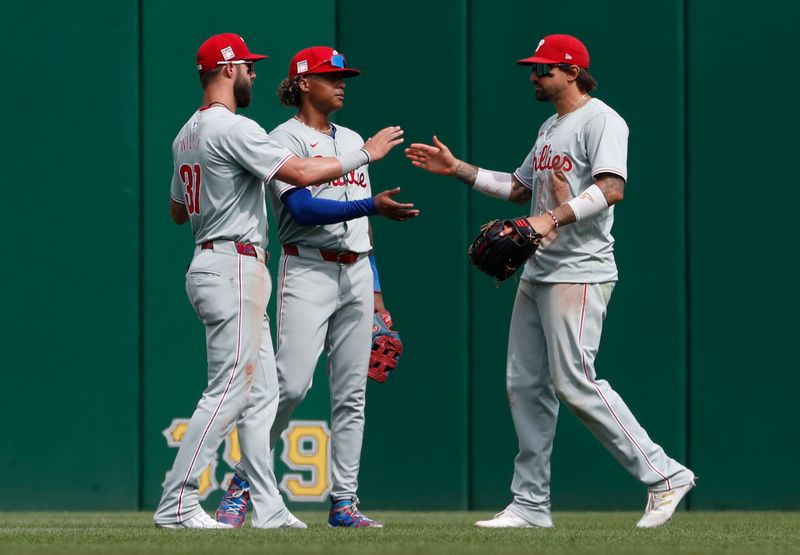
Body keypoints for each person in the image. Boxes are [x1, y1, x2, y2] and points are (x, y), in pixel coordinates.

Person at [405, 33, 695, 529]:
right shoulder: (550, 126)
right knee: (524, 384)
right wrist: (458, 170)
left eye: (543, 69)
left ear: (572, 72)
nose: (534, 76)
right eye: (533, 68)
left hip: (580, 270)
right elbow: (520, 189)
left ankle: (664, 474)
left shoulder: (601, 119)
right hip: (540, 271)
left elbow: (612, 188)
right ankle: (530, 504)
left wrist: (552, 218)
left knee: (575, 381)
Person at [153, 33, 404, 529]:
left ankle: (268, 508)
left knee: (263, 395)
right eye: (247, 66)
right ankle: (177, 502)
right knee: (229, 390)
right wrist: (368, 157)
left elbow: (178, 211)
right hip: (235, 262)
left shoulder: (186, 133)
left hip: (216, 257)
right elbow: (302, 176)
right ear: (228, 69)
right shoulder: (236, 127)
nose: (253, 74)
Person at [214, 46, 418, 529]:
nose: (342, 82)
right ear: (304, 83)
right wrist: (370, 205)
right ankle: (244, 481)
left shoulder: (350, 138)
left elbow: (364, 233)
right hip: (307, 269)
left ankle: (344, 502)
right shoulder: (281, 138)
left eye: (344, 75)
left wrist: (378, 300)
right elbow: (303, 210)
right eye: (332, 76)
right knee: (290, 384)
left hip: (356, 273)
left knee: (352, 395)